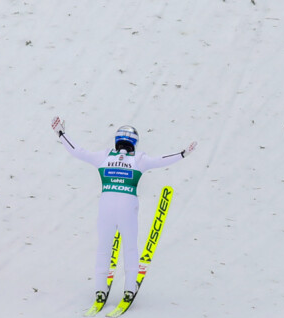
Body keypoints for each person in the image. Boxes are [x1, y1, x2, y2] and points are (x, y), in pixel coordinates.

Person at [51, 116, 196, 306]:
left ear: (117, 140)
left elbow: (78, 151)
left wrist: (61, 133)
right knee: (129, 248)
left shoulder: (104, 156)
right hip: (128, 206)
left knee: (104, 248)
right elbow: (160, 161)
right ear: (134, 142)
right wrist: (183, 154)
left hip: (106, 206)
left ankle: (100, 291)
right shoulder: (139, 159)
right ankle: (129, 289)